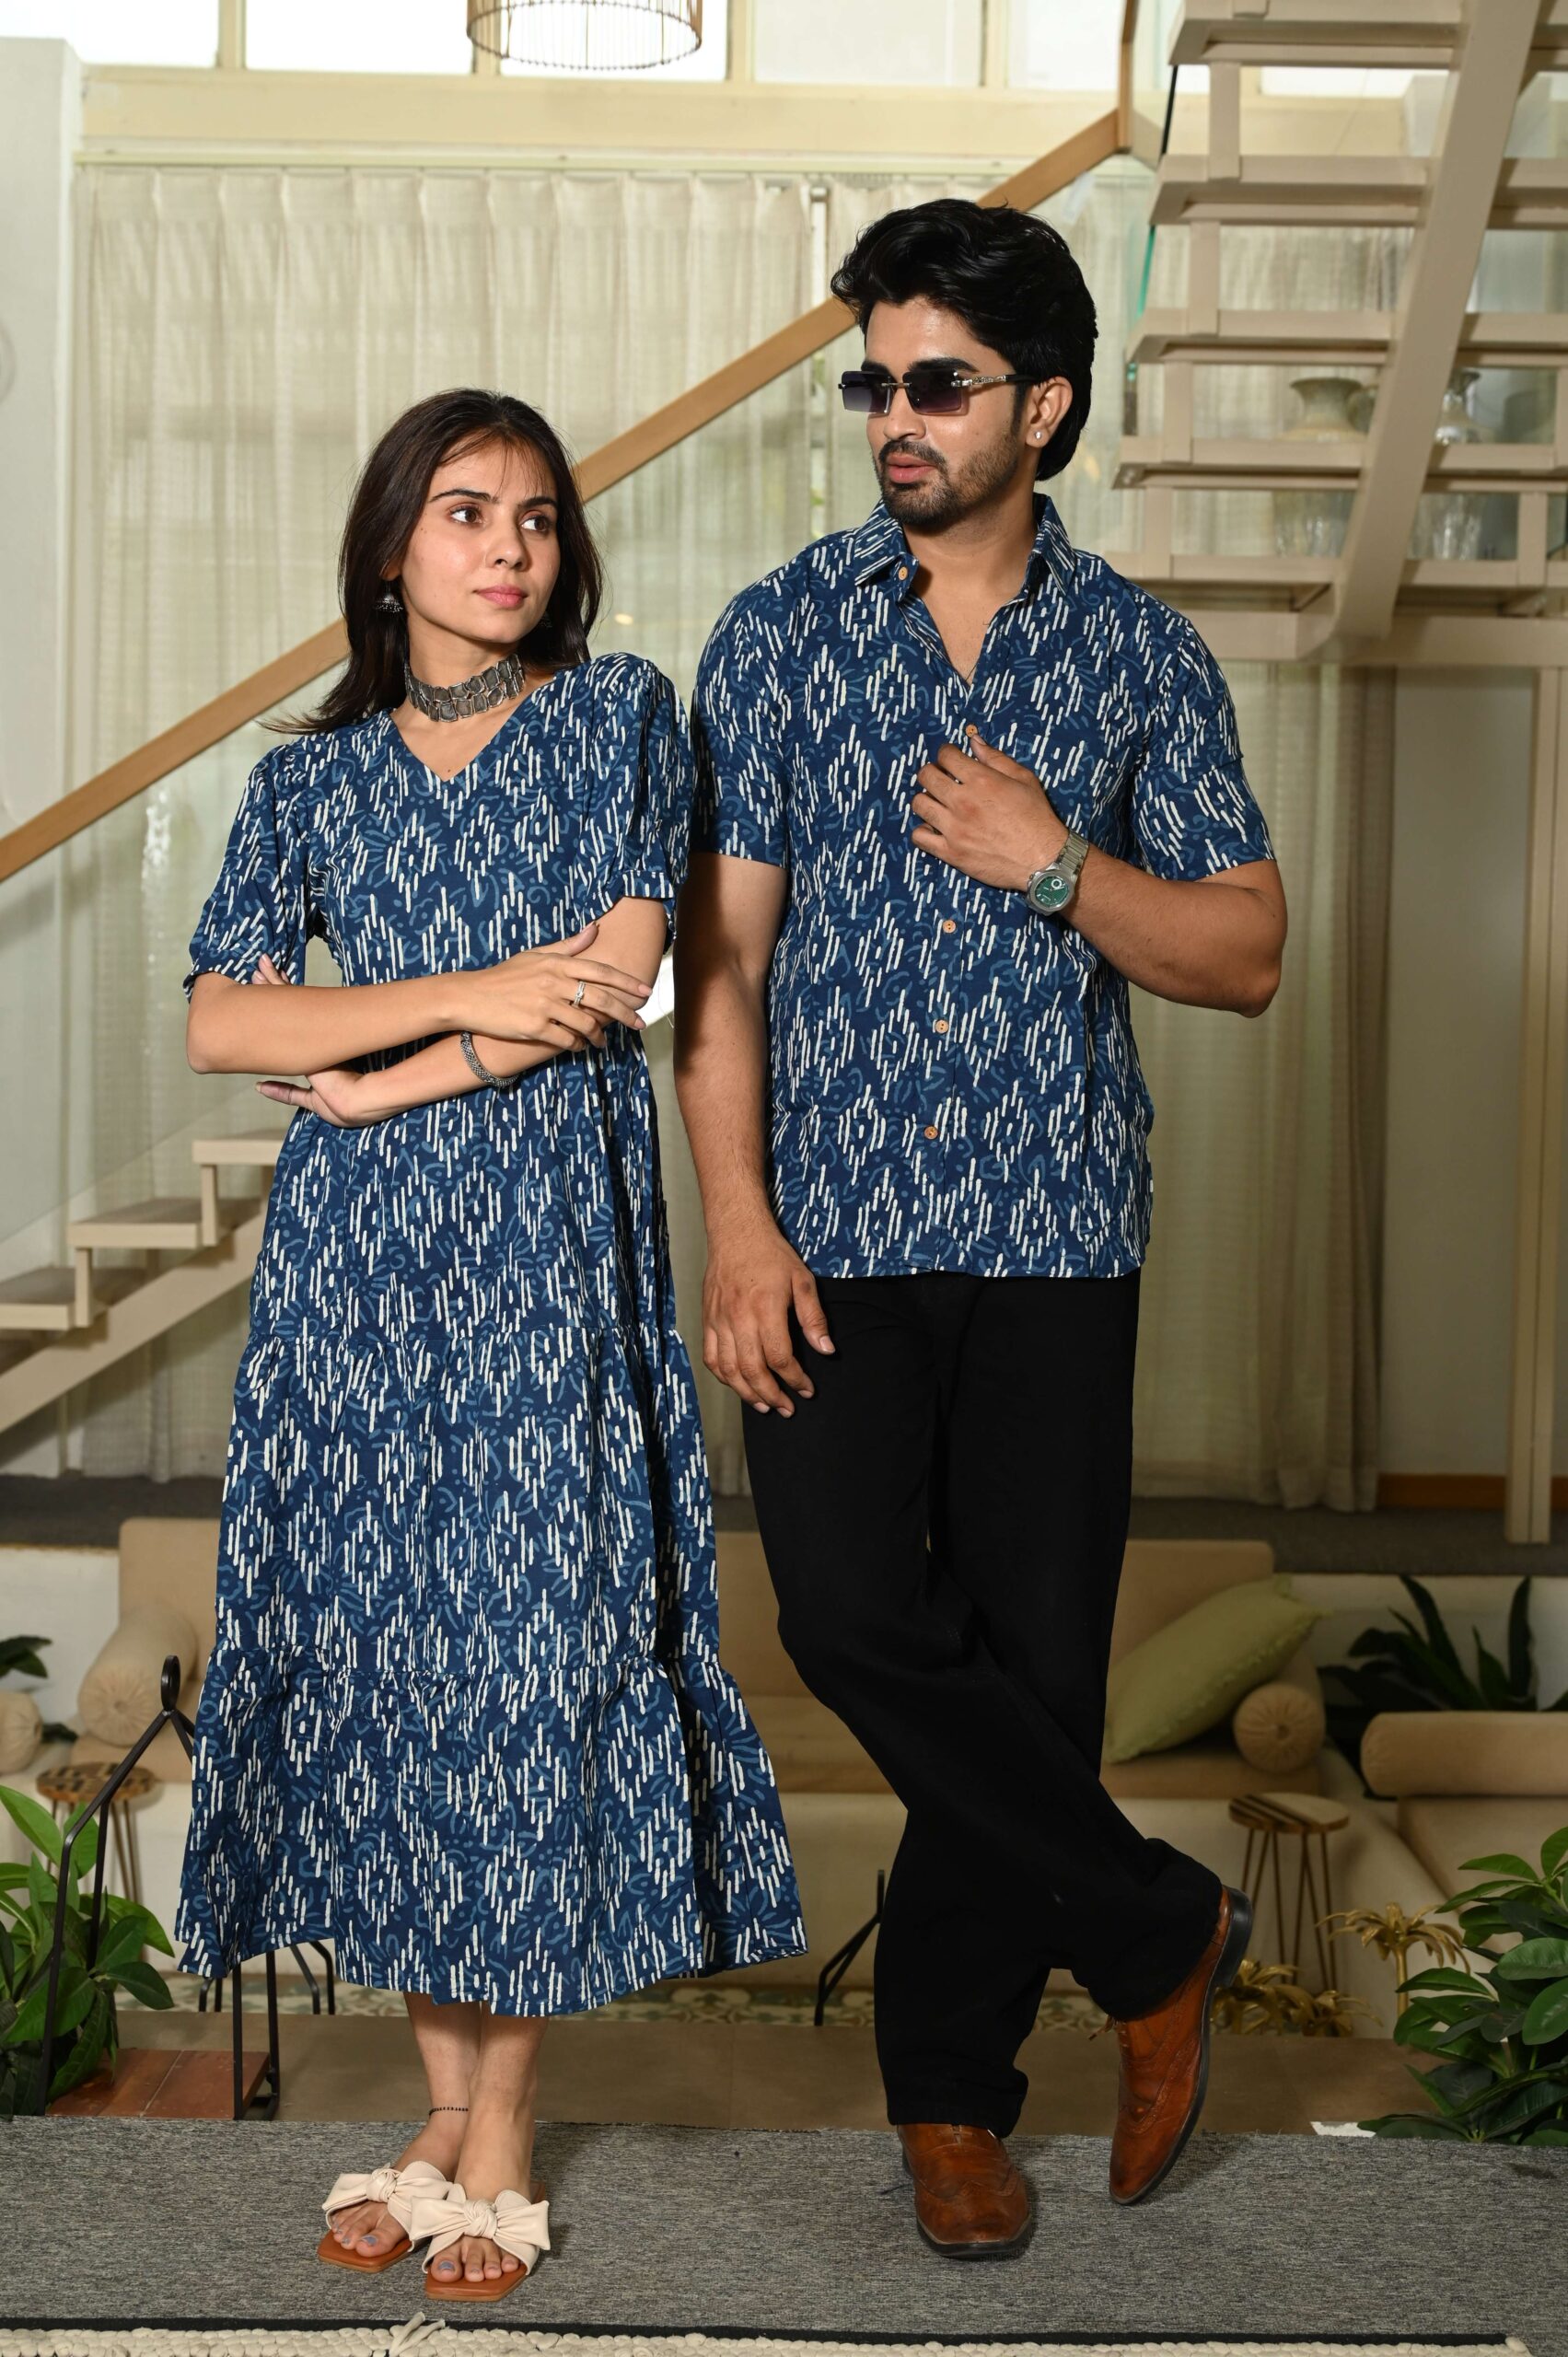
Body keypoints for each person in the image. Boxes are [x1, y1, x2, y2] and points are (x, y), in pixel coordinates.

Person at [674, 199, 1287, 2256]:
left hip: (1057, 1243)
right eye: (872, 381)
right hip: (830, 1239)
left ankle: (951, 2103)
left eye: (935, 382)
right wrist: (737, 1224)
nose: (893, 417)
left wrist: (1052, 863)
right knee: (849, 1616)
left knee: (1029, 1679)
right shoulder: (780, 634)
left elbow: (1244, 952)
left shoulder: (1142, 657)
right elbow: (723, 971)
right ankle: (1158, 1925)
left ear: (1046, 405)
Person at [178, 386, 807, 2303]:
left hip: (546, 1259)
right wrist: (455, 1009)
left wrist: (377, 1068)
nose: (510, 547)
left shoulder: (622, 718)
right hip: (354, 1285)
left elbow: (612, 981)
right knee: (392, 1675)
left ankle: (508, 2124)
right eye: (466, 512)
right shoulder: (306, 781)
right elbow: (223, 1020)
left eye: (536, 516)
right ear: (392, 547)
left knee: (529, 1663)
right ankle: (442, 2114)